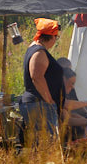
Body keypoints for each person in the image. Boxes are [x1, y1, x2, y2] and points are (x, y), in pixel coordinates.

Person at [19, 19, 65, 148]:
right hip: (39, 103)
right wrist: (49, 99)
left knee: (39, 144)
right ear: (51, 37)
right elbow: (37, 77)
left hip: (37, 103)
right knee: (47, 144)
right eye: (56, 37)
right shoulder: (39, 52)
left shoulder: (34, 48)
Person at [61, 66, 87, 141]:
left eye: (73, 84)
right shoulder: (54, 94)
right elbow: (66, 111)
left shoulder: (67, 92)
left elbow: (71, 112)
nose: (72, 87)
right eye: (71, 83)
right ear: (63, 80)